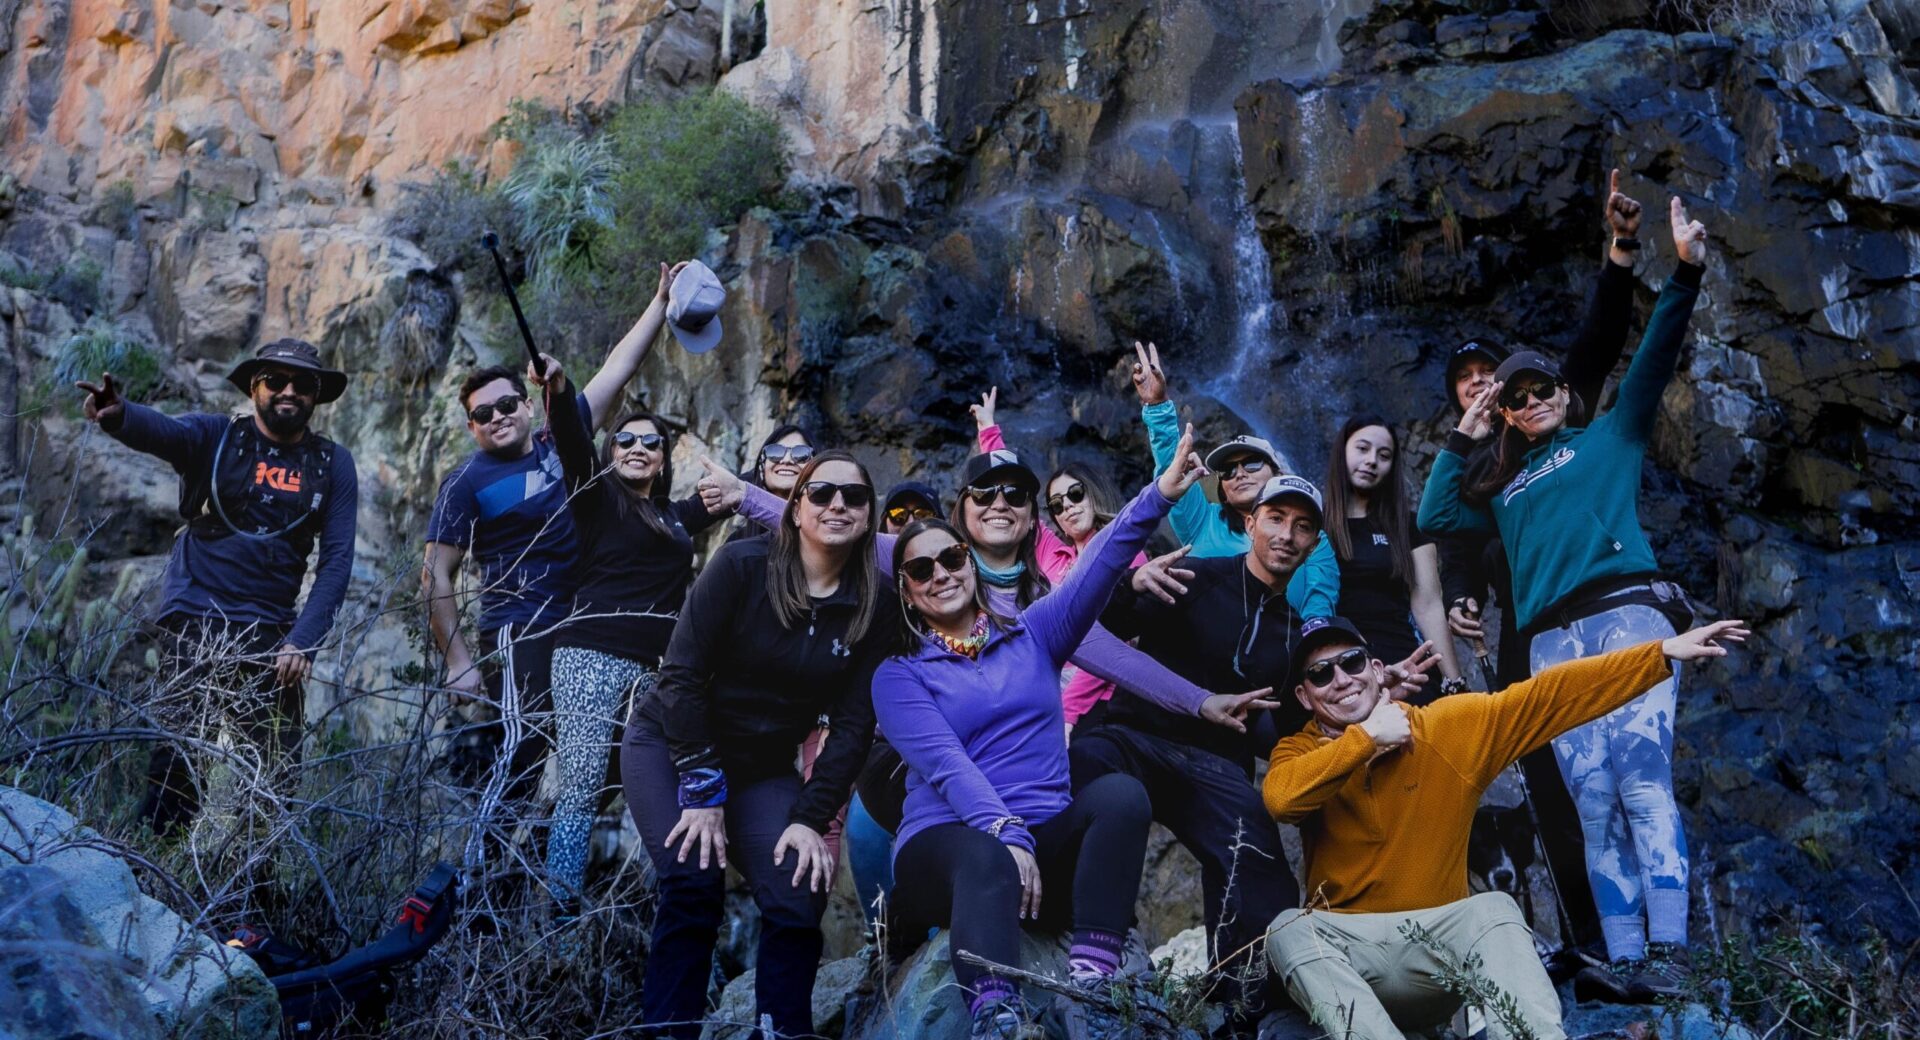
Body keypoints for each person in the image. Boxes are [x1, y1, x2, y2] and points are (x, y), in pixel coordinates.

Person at [878, 426, 1273, 1040]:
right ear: (905, 591)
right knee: (985, 857)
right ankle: (996, 1014)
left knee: (1120, 795)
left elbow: (1104, 563)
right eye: (921, 568)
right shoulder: (898, 675)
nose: (941, 574)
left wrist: (1162, 493)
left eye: (951, 558)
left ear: (971, 563)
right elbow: (949, 765)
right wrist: (1005, 833)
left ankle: (1093, 984)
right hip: (951, 850)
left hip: (1042, 846)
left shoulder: (1035, 631)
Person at [1419, 197, 1711, 1000]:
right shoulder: (1502, 483)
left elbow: (1648, 356)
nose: (1533, 397)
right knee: (1591, 799)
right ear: (1505, 414)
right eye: (1515, 397)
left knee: (1643, 779)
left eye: (1542, 385)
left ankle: (1672, 953)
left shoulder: (1608, 436)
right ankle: (1623, 964)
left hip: (1626, 613)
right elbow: (1434, 516)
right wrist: (1469, 430)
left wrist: (1681, 267)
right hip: (1550, 641)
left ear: (1563, 391)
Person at [1262, 616, 1747, 1039]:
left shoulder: (1447, 727)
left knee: (1494, 908)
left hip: (1436, 955)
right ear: (1305, 696)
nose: (1341, 679)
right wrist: (1366, 739)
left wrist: (1658, 654)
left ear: (1375, 669)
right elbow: (1283, 799)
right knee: (1286, 930)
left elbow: (1548, 696)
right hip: (1353, 961)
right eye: (1321, 674)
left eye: (1351, 663)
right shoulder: (1298, 752)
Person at [1090, 475, 1437, 1018]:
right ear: (1249, 523)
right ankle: (1084, 951)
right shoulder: (1196, 577)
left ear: (1315, 541)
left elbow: (1296, 720)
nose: (1286, 536)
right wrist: (1130, 586)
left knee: (1260, 858)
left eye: (1303, 527)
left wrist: (1370, 688)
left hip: (1211, 766)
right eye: (1275, 519)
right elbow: (1089, 623)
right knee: (1088, 768)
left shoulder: (1295, 634)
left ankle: (1238, 1005)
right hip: (1135, 735)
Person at [1434, 167, 1646, 967]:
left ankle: (1642, 939)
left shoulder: (1559, 420)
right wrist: (1460, 599)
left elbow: (1595, 344)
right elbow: (1452, 540)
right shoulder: (1481, 471)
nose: (1487, 392)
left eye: (1494, 380)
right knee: (1553, 788)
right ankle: (1587, 938)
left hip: (1597, 613)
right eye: (1471, 387)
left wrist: (1619, 255)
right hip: (1524, 635)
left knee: (1622, 773)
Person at [623, 450, 894, 1040]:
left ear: (870, 516)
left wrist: (809, 816)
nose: (837, 505)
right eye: (820, 493)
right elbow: (681, 675)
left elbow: (852, 727)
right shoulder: (743, 566)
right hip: (673, 746)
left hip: (762, 767)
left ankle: (780, 1032)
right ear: (795, 509)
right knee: (694, 878)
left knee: (799, 886)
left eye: (852, 497)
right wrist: (700, 785)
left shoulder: (874, 604)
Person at [424, 262, 687, 861]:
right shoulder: (466, 481)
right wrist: (458, 661)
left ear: (525, 401)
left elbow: (619, 369)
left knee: (600, 759)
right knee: (521, 748)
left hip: (582, 627)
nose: (498, 416)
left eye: (507, 403)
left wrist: (660, 299)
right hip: (519, 627)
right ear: (472, 427)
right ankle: (476, 887)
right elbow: (435, 574)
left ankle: (530, 866)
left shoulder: (558, 443)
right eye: (483, 414)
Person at [77, 339, 358, 834]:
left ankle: (247, 896)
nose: (289, 391)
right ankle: (153, 875)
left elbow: (336, 561)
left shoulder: (332, 464)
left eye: (303, 384)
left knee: (274, 775)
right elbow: (164, 433)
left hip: (273, 635)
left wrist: (304, 640)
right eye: (275, 380)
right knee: (177, 764)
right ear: (255, 387)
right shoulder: (217, 436)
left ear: (317, 395)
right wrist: (121, 416)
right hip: (195, 619)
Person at [524, 353, 734, 916]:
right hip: (588, 654)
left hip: (652, 670)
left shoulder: (670, 517)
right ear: (611, 455)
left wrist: (763, 480)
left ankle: (648, 899)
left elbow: (719, 503)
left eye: (651, 443)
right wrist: (561, 391)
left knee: (650, 779)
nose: (638, 449)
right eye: (626, 442)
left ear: (665, 459)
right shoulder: (595, 499)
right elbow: (570, 439)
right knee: (582, 780)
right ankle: (556, 911)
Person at [970, 386, 1148, 726]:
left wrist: (1066, 714)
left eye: (1075, 494)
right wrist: (988, 429)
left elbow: (1111, 641)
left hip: (1101, 696)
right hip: (1048, 679)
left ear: (1093, 493)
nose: (1067, 506)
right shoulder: (1054, 552)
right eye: (1056, 504)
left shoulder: (1125, 550)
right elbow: (1012, 504)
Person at [1127, 341, 1339, 617]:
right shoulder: (1202, 520)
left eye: (1251, 463)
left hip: (1279, 647)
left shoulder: (1308, 536)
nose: (1239, 473)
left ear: (1278, 474)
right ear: (1223, 489)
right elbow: (1170, 464)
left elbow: (1320, 603)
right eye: (1228, 470)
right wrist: (1156, 406)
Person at [1322, 416, 1465, 698]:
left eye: (1383, 455)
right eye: (1362, 449)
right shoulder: (1314, 525)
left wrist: (1455, 682)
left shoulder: (1408, 525)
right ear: (1342, 451)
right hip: (1344, 676)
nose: (1372, 460)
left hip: (1409, 667)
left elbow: (1428, 605)